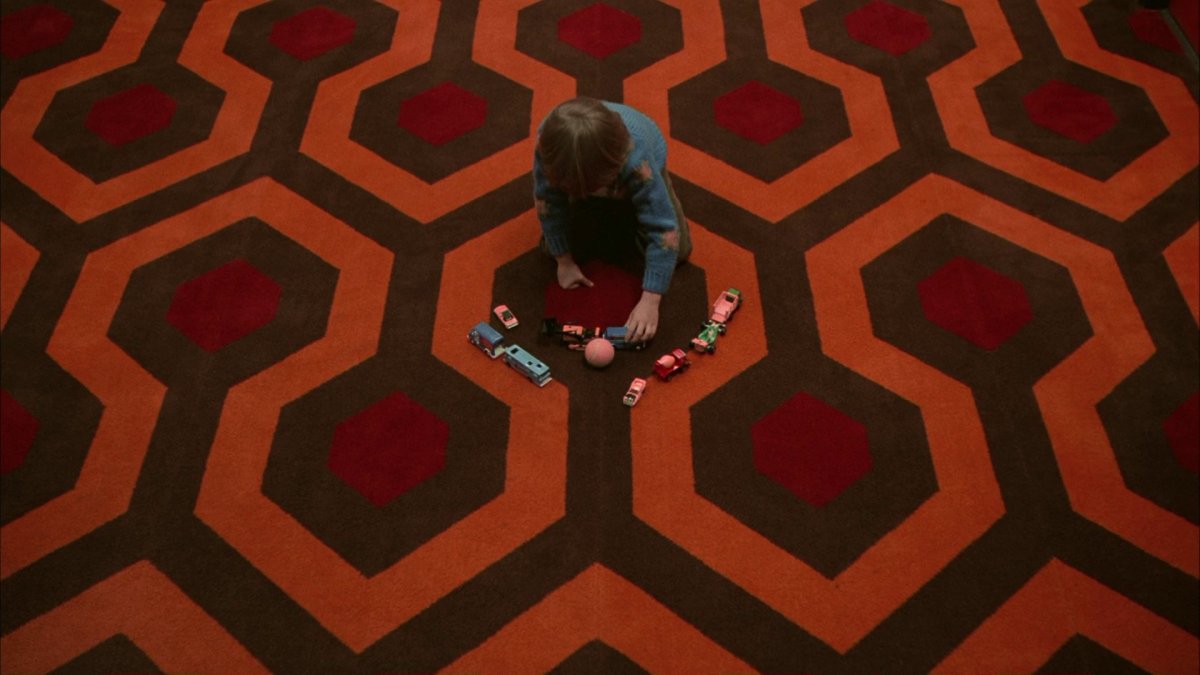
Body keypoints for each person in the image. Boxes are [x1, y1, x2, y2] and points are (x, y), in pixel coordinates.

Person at [534, 97, 691, 344]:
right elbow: (548, 202)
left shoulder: (637, 160)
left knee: (679, 250)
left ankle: (620, 203)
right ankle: (594, 204)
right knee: (549, 248)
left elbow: (663, 229)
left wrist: (651, 300)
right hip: (591, 173)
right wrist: (563, 260)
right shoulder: (549, 146)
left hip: (640, 174)